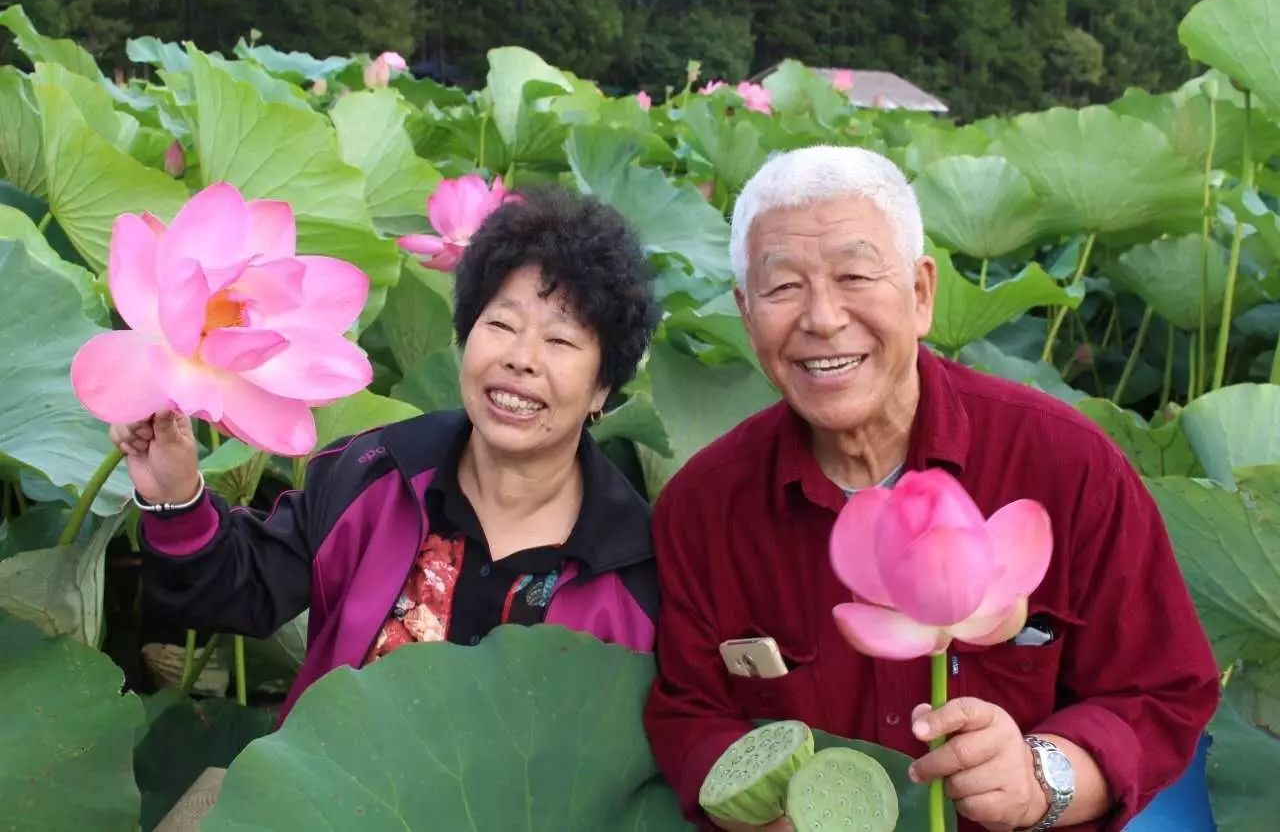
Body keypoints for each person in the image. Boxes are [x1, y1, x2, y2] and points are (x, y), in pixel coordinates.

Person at [642, 146, 1219, 832]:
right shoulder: (704, 508)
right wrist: (757, 810)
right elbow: (691, 710)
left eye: (855, 274)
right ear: (745, 312)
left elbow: (1160, 692)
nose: (823, 317)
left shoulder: (1067, 467)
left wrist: (1045, 775)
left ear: (921, 293)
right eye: (783, 286)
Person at [112, 185, 661, 721]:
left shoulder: (635, 570)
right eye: (500, 324)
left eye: (560, 341)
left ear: (601, 389)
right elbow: (239, 591)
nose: (521, 358)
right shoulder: (375, 476)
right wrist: (176, 497)